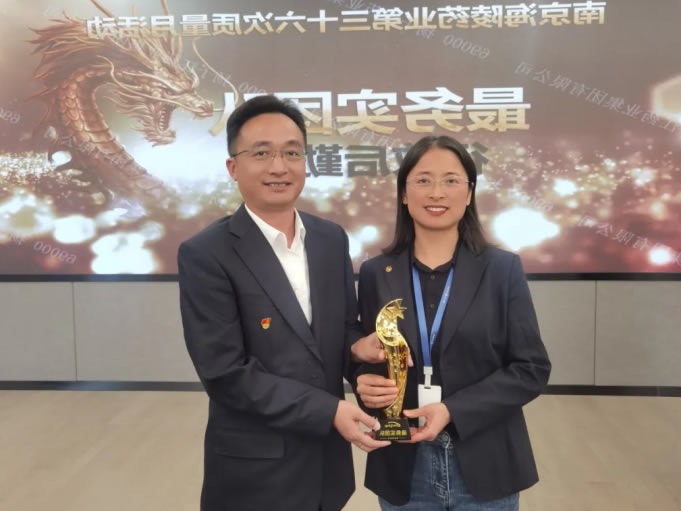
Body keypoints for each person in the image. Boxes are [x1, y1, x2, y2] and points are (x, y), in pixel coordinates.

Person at [178, 95, 388, 511]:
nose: (279, 167)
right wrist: (329, 411)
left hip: (327, 465)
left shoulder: (330, 239)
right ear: (233, 167)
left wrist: (358, 352)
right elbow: (224, 372)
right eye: (261, 153)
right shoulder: (206, 253)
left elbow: (341, 327)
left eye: (292, 153)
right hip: (254, 470)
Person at [354, 135, 552, 510]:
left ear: (469, 192)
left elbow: (531, 368)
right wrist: (362, 377)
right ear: (404, 194)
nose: (437, 193)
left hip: (486, 460)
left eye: (450, 180)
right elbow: (367, 352)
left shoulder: (502, 269)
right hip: (402, 461)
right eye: (423, 180)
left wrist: (452, 410)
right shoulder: (376, 272)